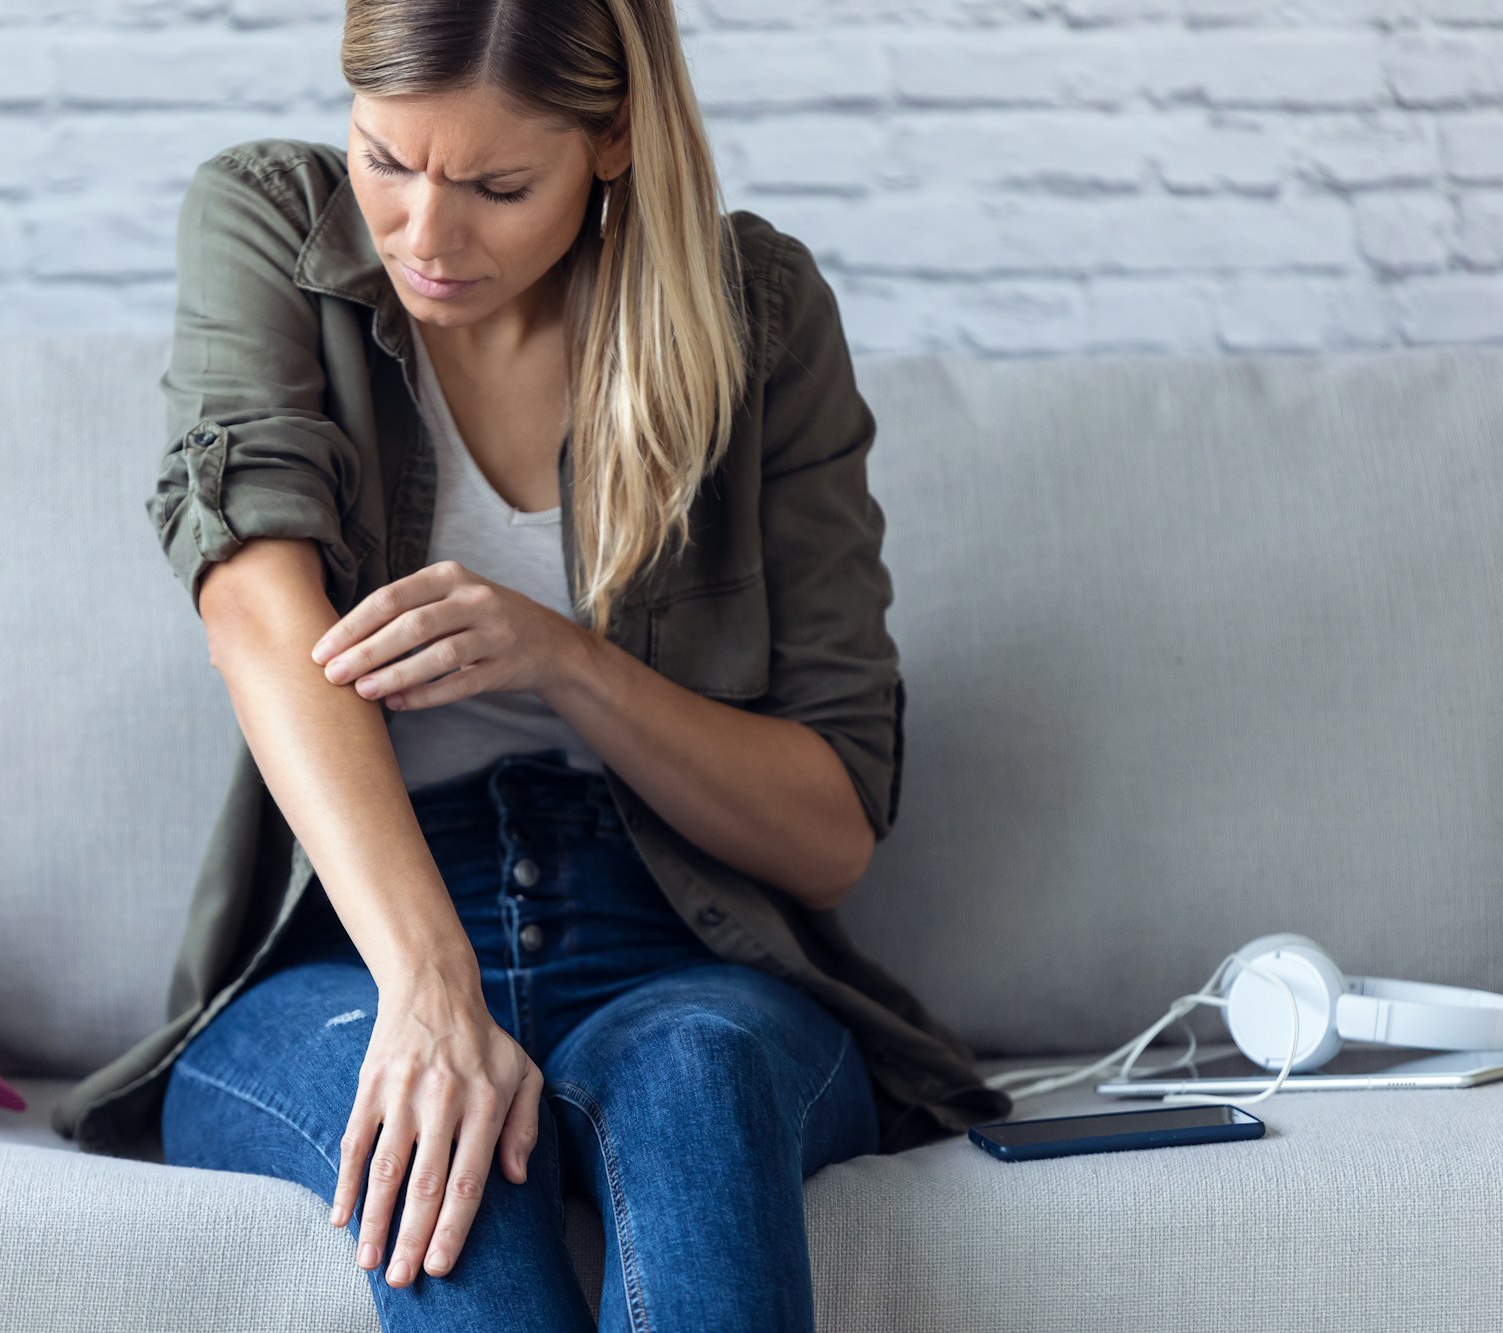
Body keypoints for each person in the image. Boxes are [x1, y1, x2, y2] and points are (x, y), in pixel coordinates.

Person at [49, 0, 1012, 1326]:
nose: (426, 236)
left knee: (699, 1080)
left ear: (613, 139)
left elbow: (829, 829)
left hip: (677, 938)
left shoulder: (759, 314)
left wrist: (567, 662)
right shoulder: (272, 221)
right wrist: (428, 984)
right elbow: (258, 614)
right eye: (387, 159)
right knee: (441, 1150)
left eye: (498, 186)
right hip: (354, 937)